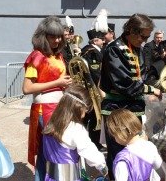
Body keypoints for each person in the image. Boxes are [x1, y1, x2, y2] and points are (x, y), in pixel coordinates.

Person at [99, 13, 162, 180]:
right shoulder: (114, 49)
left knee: (135, 148)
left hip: (134, 108)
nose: (146, 40)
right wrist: (150, 90)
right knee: (118, 154)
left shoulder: (136, 48)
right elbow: (124, 83)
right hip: (116, 109)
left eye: (148, 37)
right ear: (132, 31)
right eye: (144, 36)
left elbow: (142, 75)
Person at [22, 16, 72, 181]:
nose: (57, 40)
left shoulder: (58, 56)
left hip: (59, 106)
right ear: (44, 36)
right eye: (53, 36)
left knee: (47, 151)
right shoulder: (36, 57)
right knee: (51, 151)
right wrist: (57, 82)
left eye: (59, 36)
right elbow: (27, 88)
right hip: (45, 109)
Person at [42, 84, 108, 181]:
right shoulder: (76, 129)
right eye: (85, 111)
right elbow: (91, 154)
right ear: (78, 107)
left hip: (51, 177)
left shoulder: (50, 124)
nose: (84, 115)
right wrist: (105, 170)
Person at [106, 108, 166, 181]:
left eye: (114, 135)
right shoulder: (150, 146)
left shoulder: (123, 159)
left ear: (120, 133)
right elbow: (160, 169)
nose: (114, 138)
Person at [81, 29, 105, 151]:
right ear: (95, 40)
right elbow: (96, 73)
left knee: (90, 116)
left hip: (90, 89)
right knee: (95, 116)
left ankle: (91, 141)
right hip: (93, 89)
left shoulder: (90, 50)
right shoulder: (92, 52)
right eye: (102, 39)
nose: (103, 41)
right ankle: (94, 142)